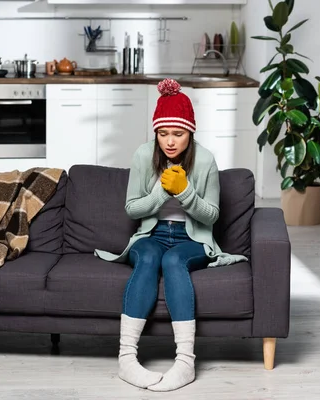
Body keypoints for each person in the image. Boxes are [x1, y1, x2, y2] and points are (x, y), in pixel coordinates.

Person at [95, 79, 247, 391]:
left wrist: (186, 192)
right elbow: (133, 209)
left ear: (190, 132)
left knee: (175, 260)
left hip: (193, 239)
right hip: (153, 233)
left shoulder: (205, 160)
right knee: (149, 256)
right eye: (163, 133)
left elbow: (213, 215)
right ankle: (126, 359)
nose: (170, 142)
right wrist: (161, 194)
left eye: (178, 133)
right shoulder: (142, 155)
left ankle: (185, 362)